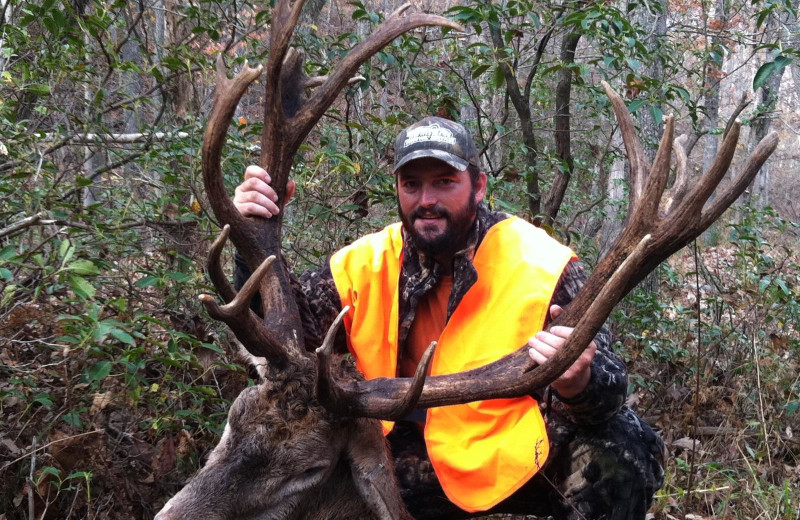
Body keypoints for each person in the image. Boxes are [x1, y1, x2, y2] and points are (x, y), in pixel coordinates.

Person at [232, 117, 665, 520]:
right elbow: (282, 336)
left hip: (509, 453)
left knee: (624, 444)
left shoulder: (542, 265)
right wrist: (250, 234)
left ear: (478, 186)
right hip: (394, 460)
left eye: (444, 182)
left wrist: (578, 383)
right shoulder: (365, 264)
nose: (427, 201)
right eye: (412, 184)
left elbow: (609, 391)